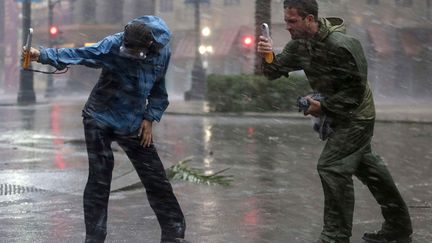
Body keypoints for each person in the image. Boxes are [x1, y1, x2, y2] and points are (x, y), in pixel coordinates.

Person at [257, 1, 413, 243]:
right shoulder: (300, 45)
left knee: (332, 166)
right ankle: (399, 226)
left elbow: (355, 92)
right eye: (286, 20)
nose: (287, 26)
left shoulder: (342, 45)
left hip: (358, 114)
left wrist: (323, 106)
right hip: (338, 112)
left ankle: (335, 236)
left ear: (310, 19)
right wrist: (267, 54)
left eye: (292, 21)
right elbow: (273, 71)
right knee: (369, 168)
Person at [23, 16, 188, 243]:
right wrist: (40, 54)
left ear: (149, 46)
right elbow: (80, 54)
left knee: (156, 179)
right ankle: (95, 238)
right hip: (99, 117)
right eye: (126, 49)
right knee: (100, 180)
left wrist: (149, 118)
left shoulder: (162, 53)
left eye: (134, 52)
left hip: (133, 121)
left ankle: (174, 235)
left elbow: (159, 91)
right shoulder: (113, 45)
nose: (128, 53)